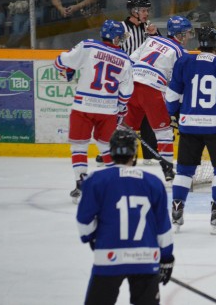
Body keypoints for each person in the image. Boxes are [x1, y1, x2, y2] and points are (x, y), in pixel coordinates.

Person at [76, 128, 175, 304]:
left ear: (111, 152)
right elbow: (163, 227)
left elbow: (84, 221)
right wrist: (166, 257)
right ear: (134, 153)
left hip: (108, 256)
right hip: (145, 257)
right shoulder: (153, 182)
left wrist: (91, 238)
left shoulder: (96, 180)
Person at [165, 26, 216, 234]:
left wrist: (174, 115)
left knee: (184, 170)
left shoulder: (184, 61)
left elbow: (172, 97)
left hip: (188, 125)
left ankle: (176, 211)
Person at [54, 19, 134, 203]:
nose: (121, 40)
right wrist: (120, 111)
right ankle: (114, 185)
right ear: (114, 37)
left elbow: (60, 61)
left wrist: (67, 70)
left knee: (79, 146)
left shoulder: (88, 46)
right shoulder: (125, 59)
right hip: (107, 109)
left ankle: (81, 181)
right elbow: (126, 93)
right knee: (106, 147)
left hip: (83, 106)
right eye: (120, 37)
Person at [124, 15, 193, 182]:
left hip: (132, 86)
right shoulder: (181, 52)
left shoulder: (150, 41)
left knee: (126, 131)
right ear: (180, 35)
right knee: (164, 133)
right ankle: (167, 169)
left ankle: (124, 168)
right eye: (188, 33)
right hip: (152, 91)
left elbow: (130, 60)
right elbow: (179, 82)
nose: (190, 36)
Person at [94, 0, 158, 165]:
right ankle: (110, 152)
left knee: (146, 116)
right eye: (143, 10)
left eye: (147, 10)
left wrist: (156, 35)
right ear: (134, 11)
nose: (146, 13)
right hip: (122, 80)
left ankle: (149, 155)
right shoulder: (119, 28)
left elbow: (160, 49)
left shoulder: (148, 28)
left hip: (143, 79)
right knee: (120, 119)